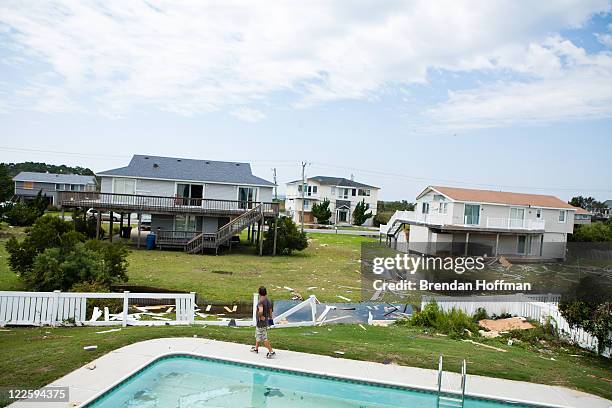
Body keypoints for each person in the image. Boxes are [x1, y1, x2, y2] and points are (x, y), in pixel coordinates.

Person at [251, 286, 275, 359]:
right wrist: (270, 318)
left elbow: (260, 311)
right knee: (258, 334)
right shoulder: (268, 300)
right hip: (265, 322)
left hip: (261, 323)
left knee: (264, 338)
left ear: (259, 293)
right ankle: (256, 349)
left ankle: (271, 351)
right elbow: (270, 310)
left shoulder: (260, 301)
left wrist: (260, 316)